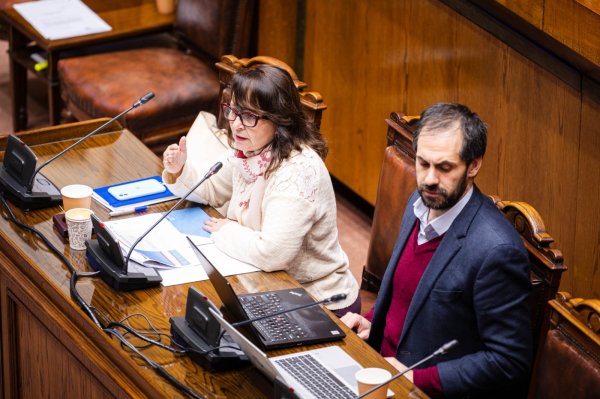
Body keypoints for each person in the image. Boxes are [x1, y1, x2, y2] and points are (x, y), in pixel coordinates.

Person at [341, 103, 532, 398]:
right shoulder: (418, 204)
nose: (429, 179)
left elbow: (509, 361)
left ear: (474, 165)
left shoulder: (497, 251)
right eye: (423, 163)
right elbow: (407, 296)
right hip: (377, 371)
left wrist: (416, 377)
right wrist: (371, 320)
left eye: (444, 167)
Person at [162, 64, 360, 316]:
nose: (236, 125)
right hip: (264, 280)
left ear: (280, 120)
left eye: (249, 116)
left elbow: (272, 253)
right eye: (232, 111)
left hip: (318, 300)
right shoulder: (250, 149)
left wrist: (226, 232)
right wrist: (180, 170)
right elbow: (212, 191)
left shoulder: (297, 170)